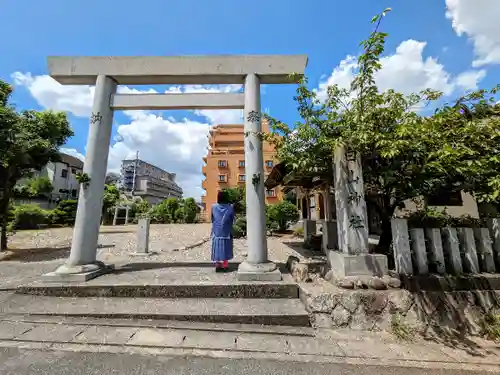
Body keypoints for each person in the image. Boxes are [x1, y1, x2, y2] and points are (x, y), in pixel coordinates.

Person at [211, 191, 235, 272]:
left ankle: (218, 265)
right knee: (226, 247)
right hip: (227, 231)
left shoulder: (213, 207)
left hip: (216, 231)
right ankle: (225, 265)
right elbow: (233, 219)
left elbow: (212, 219)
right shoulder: (230, 207)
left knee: (217, 247)